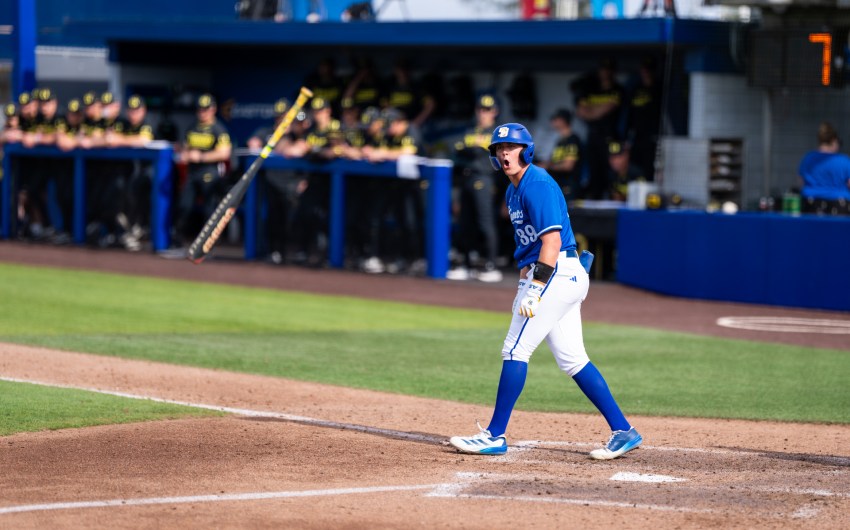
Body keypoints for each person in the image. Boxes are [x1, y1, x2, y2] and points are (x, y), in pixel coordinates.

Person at [449, 123, 642, 460]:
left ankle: (494, 434)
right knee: (573, 359)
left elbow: (551, 242)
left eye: (511, 147)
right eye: (499, 148)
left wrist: (535, 288)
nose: (504, 153)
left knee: (514, 350)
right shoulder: (513, 191)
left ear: (526, 151)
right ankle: (623, 430)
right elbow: (529, 247)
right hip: (557, 275)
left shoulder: (536, 184)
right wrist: (525, 282)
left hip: (557, 273)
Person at [446, 93, 503, 283]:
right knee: (465, 222)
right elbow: (457, 150)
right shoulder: (470, 131)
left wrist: (478, 148)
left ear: (495, 112)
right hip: (466, 178)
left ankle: (491, 264)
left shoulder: (498, 133)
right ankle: (465, 263)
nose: (483, 114)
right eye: (480, 109)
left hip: (485, 179)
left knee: (485, 222)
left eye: (487, 110)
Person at [175, 93, 233, 246]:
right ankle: (178, 241)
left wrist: (200, 156)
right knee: (184, 206)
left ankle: (208, 244)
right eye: (200, 109)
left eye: (206, 109)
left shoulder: (218, 129)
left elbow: (224, 153)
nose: (203, 112)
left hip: (211, 172)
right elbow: (184, 148)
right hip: (193, 172)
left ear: (213, 109)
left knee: (209, 209)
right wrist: (186, 154)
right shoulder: (192, 126)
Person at [573, 58, 625, 200]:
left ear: (613, 72)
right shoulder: (591, 89)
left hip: (610, 137)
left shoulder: (617, 89)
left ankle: (611, 199)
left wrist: (592, 111)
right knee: (594, 171)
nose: (605, 73)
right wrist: (595, 111)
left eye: (608, 70)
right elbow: (581, 112)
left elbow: (603, 110)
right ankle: (596, 200)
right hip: (593, 136)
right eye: (603, 69)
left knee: (611, 171)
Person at [798, 122, 850, 212]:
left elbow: (801, 181)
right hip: (839, 204)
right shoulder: (844, 161)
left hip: (811, 202)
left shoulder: (808, 158)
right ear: (834, 141)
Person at [625, 56, 662, 181]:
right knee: (634, 165)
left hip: (652, 137)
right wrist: (627, 137)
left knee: (650, 167)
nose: (646, 72)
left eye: (649, 69)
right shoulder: (636, 88)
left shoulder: (658, 89)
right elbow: (630, 114)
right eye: (644, 69)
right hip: (637, 136)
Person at [539, 108, 584, 202]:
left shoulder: (572, 139)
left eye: (556, 119)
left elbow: (568, 166)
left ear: (563, 120)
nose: (553, 121)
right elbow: (554, 161)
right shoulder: (560, 141)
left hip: (569, 187)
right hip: (558, 186)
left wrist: (547, 166)